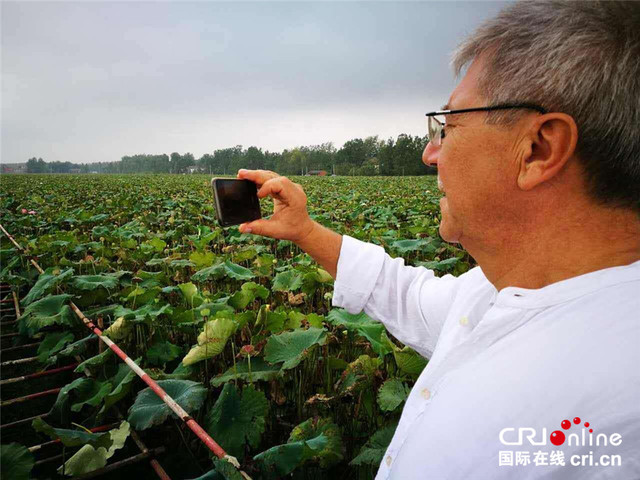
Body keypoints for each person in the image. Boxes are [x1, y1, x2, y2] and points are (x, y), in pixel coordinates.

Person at [237, 1, 640, 478]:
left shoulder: (616, 425)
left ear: (538, 149)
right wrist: (304, 231)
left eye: (447, 126)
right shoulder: (497, 288)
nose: (431, 154)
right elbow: (403, 293)